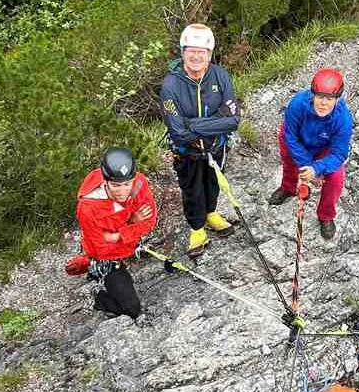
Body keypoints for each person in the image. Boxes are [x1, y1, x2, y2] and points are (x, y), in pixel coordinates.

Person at [160, 23, 241, 257]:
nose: (196, 56)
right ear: (183, 52)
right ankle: (197, 228)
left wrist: (191, 124)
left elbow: (233, 120)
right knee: (192, 189)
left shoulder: (220, 75)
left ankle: (211, 213)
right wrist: (218, 119)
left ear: (209, 54)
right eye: (191, 50)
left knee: (213, 181)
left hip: (217, 146)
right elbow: (178, 132)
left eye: (202, 51)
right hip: (188, 151)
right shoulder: (170, 86)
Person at [65, 147, 158, 318]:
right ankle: (98, 298)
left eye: (126, 184)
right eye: (116, 185)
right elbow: (102, 249)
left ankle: (93, 267)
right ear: (105, 181)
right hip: (105, 257)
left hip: (121, 243)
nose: (122, 191)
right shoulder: (88, 208)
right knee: (132, 309)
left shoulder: (138, 184)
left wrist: (118, 235)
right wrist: (133, 225)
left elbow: (150, 221)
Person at [269, 68, 353, 240]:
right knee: (289, 161)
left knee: (336, 178)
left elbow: (339, 154)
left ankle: (326, 215)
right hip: (296, 139)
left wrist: (316, 168)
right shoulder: (297, 104)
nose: (323, 103)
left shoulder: (343, 119)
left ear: (337, 99)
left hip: (324, 148)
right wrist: (307, 167)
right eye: (320, 97)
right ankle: (288, 187)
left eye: (329, 99)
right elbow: (290, 136)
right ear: (312, 95)